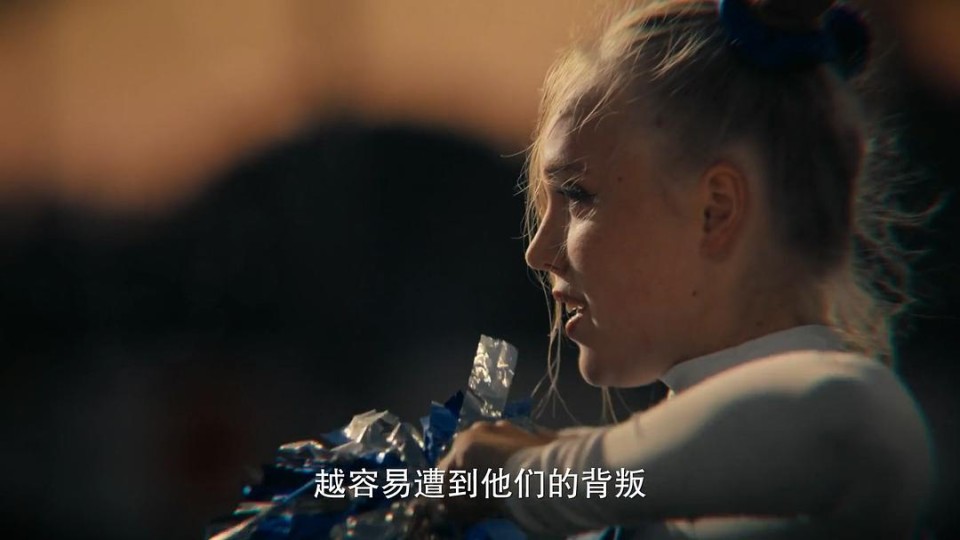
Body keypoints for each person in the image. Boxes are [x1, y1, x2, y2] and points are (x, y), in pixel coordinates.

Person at [436, 0, 934, 538]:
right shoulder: (663, 482)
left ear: (715, 210)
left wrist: (518, 476)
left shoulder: (852, 410)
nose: (538, 253)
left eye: (578, 195)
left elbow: (831, 411)